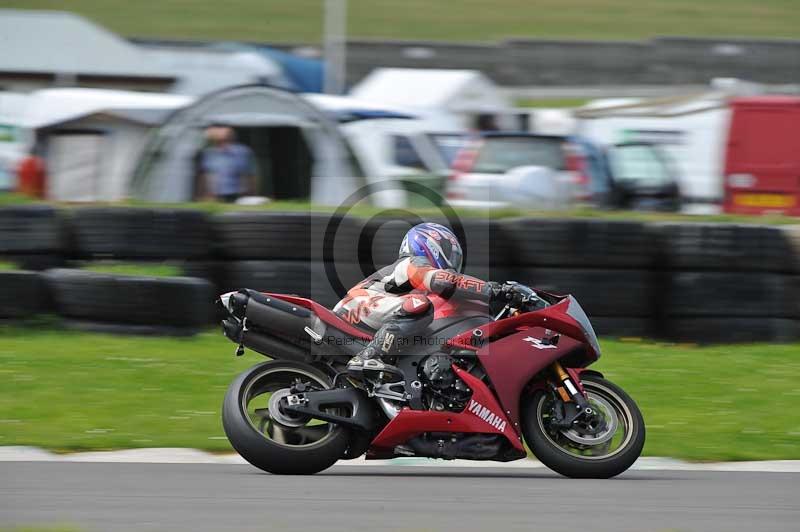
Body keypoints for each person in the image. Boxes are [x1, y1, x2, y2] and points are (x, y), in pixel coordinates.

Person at [333, 222, 522, 379]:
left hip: (367, 310)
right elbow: (441, 281)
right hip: (357, 303)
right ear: (430, 246)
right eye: (449, 253)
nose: (452, 262)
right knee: (419, 306)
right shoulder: (412, 263)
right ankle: (368, 357)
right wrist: (493, 289)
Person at [197, 126, 256, 202]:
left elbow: (249, 175)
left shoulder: (242, 152)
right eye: (218, 141)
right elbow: (204, 176)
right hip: (215, 195)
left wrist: (251, 194)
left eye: (226, 140)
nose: (223, 143)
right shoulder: (209, 153)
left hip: (238, 194)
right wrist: (202, 194)